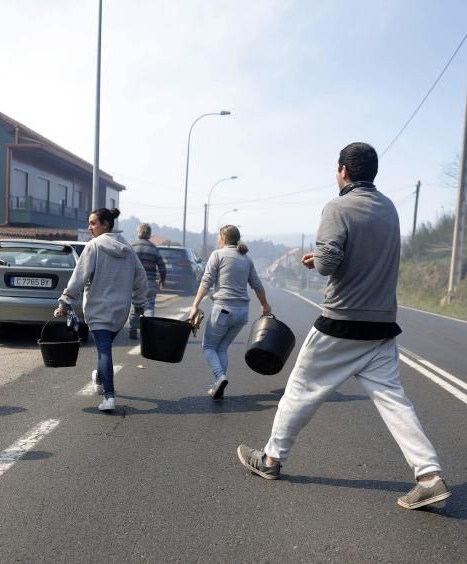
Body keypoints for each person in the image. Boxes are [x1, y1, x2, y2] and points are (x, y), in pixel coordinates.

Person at [236, 142, 450, 510]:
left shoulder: (338, 206)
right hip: (381, 324)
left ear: (343, 172)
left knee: (300, 390)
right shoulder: (389, 208)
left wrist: (316, 259)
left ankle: (271, 459)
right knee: (394, 401)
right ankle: (429, 476)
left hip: (341, 322)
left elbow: (329, 260)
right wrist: (323, 256)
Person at [54, 208, 148, 412]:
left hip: (98, 309)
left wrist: (64, 301)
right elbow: (141, 279)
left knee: (104, 351)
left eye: (93, 223)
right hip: (120, 311)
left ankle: (109, 396)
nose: (89, 227)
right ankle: (98, 377)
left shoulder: (94, 246)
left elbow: (78, 277)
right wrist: (139, 303)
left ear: (106, 224)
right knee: (103, 350)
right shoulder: (128, 248)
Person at [188, 225, 271, 399]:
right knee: (222, 347)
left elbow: (206, 281)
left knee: (209, 347)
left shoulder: (217, 255)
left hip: (223, 310)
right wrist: (265, 305)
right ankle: (218, 386)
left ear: (224, 239)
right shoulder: (246, 259)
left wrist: (195, 304)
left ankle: (220, 376)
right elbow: (257, 284)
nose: (218, 240)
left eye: (219, 237)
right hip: (242, 313)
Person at [129, 223, 166, 340]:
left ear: (138, 232)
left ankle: (133, 329)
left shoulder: (131, 246)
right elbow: (162, 266)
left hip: (134, 282)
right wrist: (162, 280)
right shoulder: (153, 248)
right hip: (150, 282)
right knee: (149, 306)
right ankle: (148, 332)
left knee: (134, 306)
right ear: (149, 234)